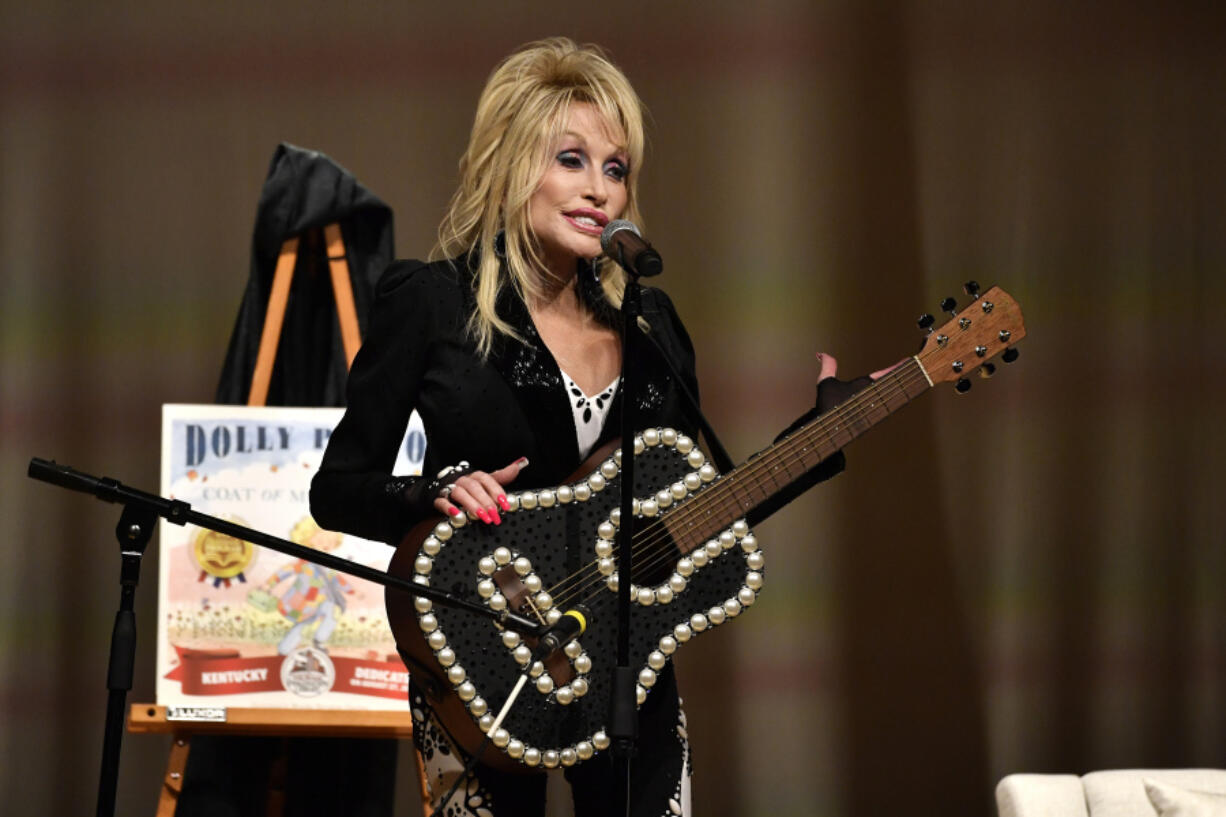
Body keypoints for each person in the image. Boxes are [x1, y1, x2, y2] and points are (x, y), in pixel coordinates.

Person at [310, 37, 858, 817]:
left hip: (628, 667)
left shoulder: (650, 325)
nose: (600, 189)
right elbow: (336, 489)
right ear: (509, 163)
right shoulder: (432, 303)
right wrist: (433, 493)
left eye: (615, 167)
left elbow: (692, 513)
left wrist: (818, 436)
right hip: (481, 657)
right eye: (571, 159)